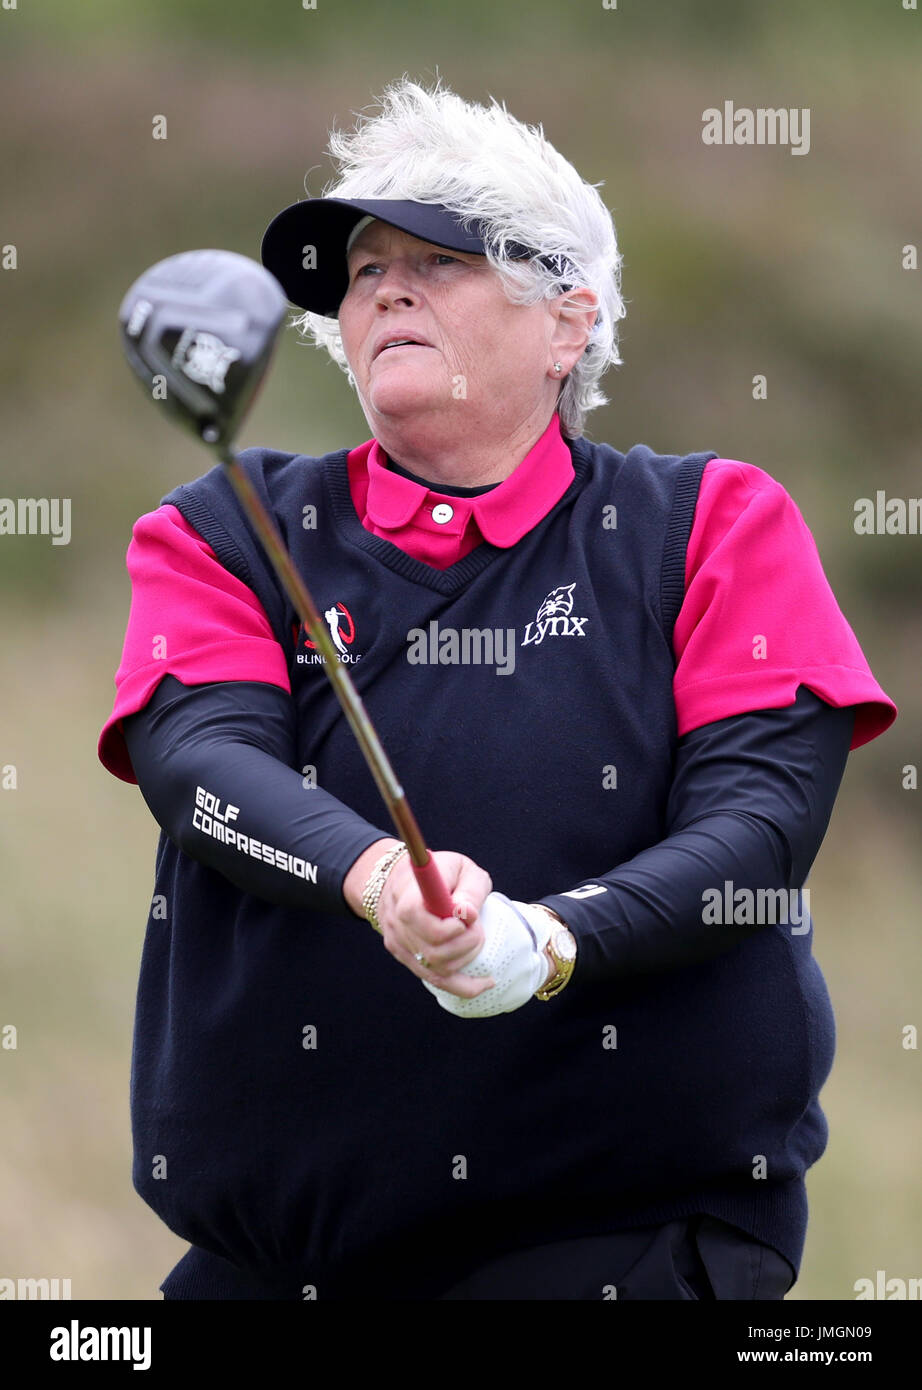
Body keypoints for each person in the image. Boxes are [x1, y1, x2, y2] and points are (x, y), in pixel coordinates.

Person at [98, 78, 897, 1301]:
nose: (385, 290)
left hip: (616, 1243)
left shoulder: (706, 522)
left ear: (567, 322)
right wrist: (373, 878)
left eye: (438, 260)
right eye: (364, 272)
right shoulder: (227, 528)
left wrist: (552, 940)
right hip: (273, 1260)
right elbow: (198, 759)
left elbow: (759, 826)